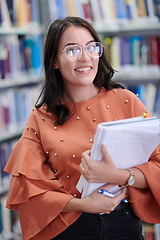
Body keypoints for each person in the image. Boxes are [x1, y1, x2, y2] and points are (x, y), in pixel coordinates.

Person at [4, 16, 160, 240]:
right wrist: (86, 204)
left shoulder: (127, 101)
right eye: (72, 50)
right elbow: (31, 191)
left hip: (125, 224)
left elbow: (157, 166)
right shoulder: (40, 118)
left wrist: (120, 176)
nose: (85, 57)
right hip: (68, 229)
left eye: (91, 48)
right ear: (54, 61)